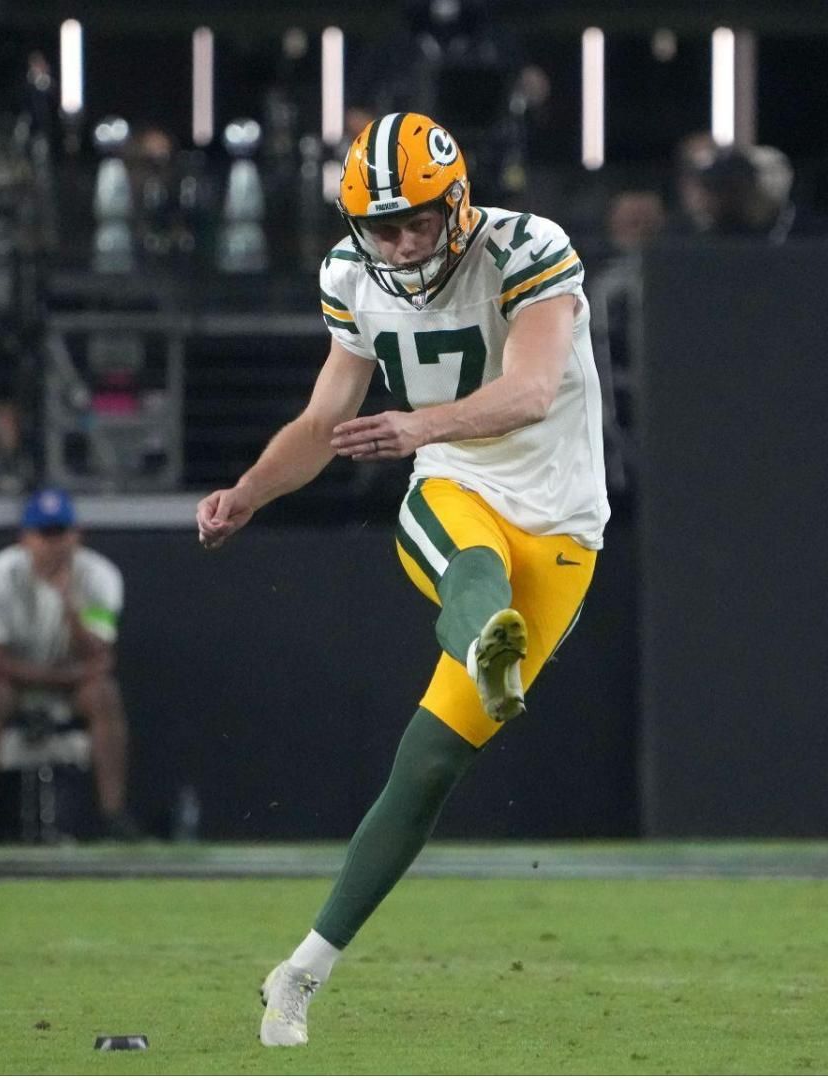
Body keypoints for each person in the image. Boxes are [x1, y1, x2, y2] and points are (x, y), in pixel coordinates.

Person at [195, 113, 606, 1048]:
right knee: (471, 564)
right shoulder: (350, 281)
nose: (406, 242)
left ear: (457, 203)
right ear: (357, 228)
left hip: (564, 522)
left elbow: (535, 388)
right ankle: (482, 638)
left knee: (429, 766)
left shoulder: (526, 248)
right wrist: (250, 492)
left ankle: (298, 968)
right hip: (456, 491)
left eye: (421, 220)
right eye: (385, 227)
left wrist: (420, 424)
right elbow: (321, 420)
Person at [0, 488, 134, 842]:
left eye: (61, 533)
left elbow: (98, 653)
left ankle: (113, 817)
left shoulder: (99, 575)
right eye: (45, 534)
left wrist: (70, 606)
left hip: (70, 686)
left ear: (77, 535)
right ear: (26, 538)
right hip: (14, 682)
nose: (54, 544)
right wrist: (62, 676)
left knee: (103, 695)